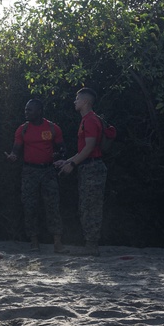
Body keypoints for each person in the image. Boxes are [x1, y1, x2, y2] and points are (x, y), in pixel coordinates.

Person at [5, 99, 66, 253]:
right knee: (29, 206)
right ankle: (34, 242)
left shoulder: (53, 128)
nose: (26, 112)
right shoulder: (22, 129)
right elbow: (16, 150)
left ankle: (57, 242)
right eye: (26, 109)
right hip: (29, 171)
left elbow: (63, 148)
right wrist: (12, 157)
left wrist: (58, 154)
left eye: (29, 110)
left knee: (53, 205)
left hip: (48, 171)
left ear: (39, 111)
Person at [55, 87, 106, 256]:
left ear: (85, 101)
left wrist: (73, 164)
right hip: (89, 167)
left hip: (92, 168)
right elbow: (84, 149)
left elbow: (90, 147)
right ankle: (90, 245)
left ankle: (92, 246)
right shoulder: (88, 119)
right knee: (86, 205)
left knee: (90, 206)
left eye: (77, 99)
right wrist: (68, 160)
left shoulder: (90, 120)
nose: (75, 101)